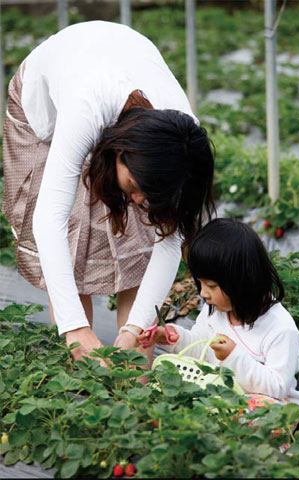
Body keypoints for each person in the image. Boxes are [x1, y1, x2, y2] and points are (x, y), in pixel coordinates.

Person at [2, 21, 215, 365]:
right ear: (119, 152)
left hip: (117, 65)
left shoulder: (182, 142)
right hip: (46, 113)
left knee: (139, 240)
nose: (137, 201)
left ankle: (135, 374)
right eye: (134, 188)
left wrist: (135, 328)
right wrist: (75, 327)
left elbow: (169, 238)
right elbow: (48, 219)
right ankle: (81, 364)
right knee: (70, 235)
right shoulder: (86, 107)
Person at [137, 219, 299, 413]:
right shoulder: (216, 310)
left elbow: (278, 387)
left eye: (211, 286)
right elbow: (201, 348)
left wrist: (232, 356)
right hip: (219, 392)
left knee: (258, 410)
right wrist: (173, 337)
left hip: (265, 404)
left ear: (242, 282)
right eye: (200, 283)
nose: (203, 293)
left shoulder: (280, 328)